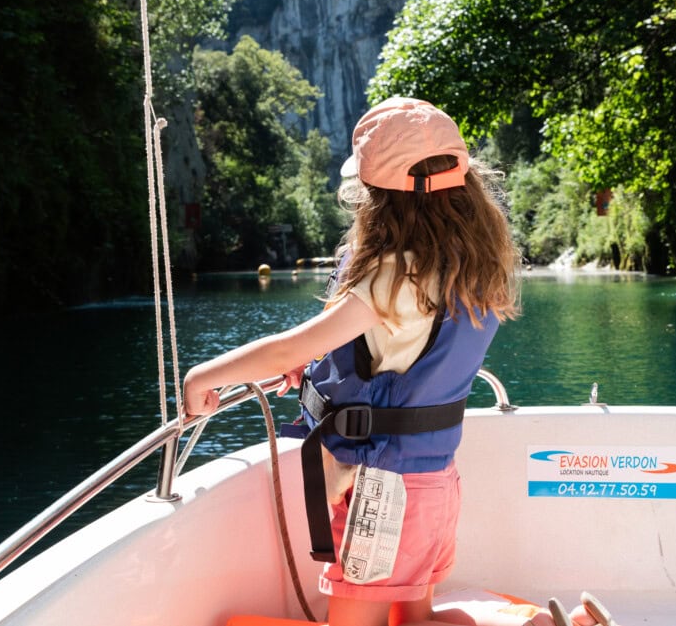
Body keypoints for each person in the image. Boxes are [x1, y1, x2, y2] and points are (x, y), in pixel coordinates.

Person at [184, 97, 520, 626]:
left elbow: (289, 347)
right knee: (414, 621)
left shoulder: (396, 274)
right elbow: (394, 350)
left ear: (380, 198)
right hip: (434, 483)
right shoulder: (472, 265)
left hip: (385, 492)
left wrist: (202, 375)